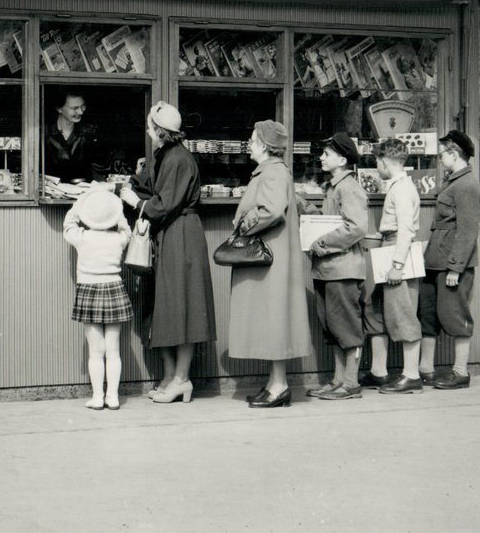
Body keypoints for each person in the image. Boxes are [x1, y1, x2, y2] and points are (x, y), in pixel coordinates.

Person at [119, 102, 215, 404]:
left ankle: (182, 379)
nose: (147, 131)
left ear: (160, 131)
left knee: (181, 308)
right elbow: (150, 189)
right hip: (172, 235)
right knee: (165, 308)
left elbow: (163, 204)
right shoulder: (166, 156)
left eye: (150, 126)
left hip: (180, 236)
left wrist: (135, 202)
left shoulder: (177, 159)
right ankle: (172, 376)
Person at [228, 120, 314, 408]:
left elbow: (271, 210)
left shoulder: (273, 172)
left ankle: (279, 386)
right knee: (272, 322)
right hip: (272, 258)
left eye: (252, 140)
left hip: (271, 261)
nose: (249, 144)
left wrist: (243, 224)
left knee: (274, 321)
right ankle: (275, 383)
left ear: (264, 146)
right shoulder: (273, 171)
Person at [306, 132, 368, 401]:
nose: (321, 157)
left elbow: (357, 227)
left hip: (342, 269)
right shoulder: (333, 186)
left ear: (342, 159)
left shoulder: (349, 187)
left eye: (327, 154)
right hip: (329, 269)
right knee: (333, 327)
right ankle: (338, 380)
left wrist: (323, 241)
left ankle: (351, 383)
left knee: (347, 328)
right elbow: (333, 222)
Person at [419, 129, 480, 389]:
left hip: (451, 264)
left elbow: (467, 231)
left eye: (442, 154)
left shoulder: (467, 185)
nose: (440, 159)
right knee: (428, 315)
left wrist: (456, 267)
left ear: (454, 153)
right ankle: (425, 369)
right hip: (436, 260)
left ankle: (460, 372)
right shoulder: (455, 181)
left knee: (455, 315)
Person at [63, 189, 133, 411]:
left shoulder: (81, 238)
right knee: (113, 349)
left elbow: (68, 224)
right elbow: (126, 229)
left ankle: (97, 396)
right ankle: (113, 397)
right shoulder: (119, 239)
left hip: (89, 290)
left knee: (96, 350)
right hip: (114, 289)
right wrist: (116, 210)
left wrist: (82, 199)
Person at [368, 137, 425, 394]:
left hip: (397, 251)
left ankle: (411, 375)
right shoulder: (400, 185)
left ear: (382, 161)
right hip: (390, 248)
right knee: (380, 311)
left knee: (403, 313)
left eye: (376, 162)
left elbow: (405, 230)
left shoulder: (401, 189)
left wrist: (397, 265)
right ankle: (379, 371)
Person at [44, 91, 99, 182]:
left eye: (83, 106)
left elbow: (97, 167)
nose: (80, 112)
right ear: (59, 108)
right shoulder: (43, 132)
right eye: (75, 108)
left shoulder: (89, 132)